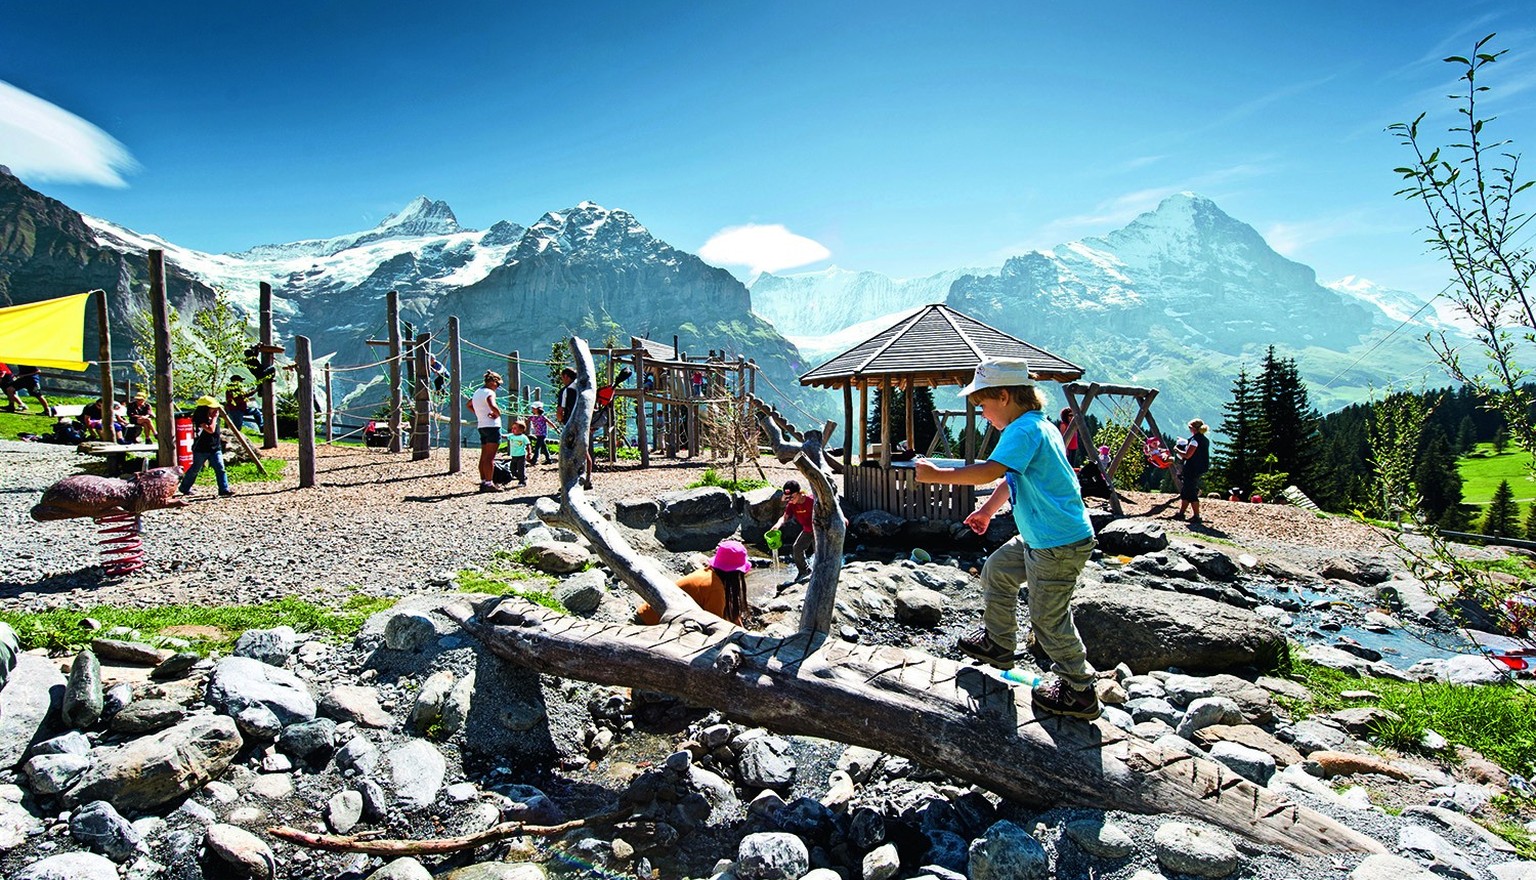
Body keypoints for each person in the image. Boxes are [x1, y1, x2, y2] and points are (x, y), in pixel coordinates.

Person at [914, 356, 1101, 720]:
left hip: (1056, 542)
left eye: (983, 405)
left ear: (1003, 395)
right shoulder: (1039, 425)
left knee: (1048, 618)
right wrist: (986, 512)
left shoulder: (1023, 430)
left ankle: (1079, 689)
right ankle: (999, 643)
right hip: (1042, 537)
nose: (983, 414)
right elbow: (1010, 478)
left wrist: (937, 474)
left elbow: (989, 472)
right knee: (998, 569)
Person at [635, 539, 751, 626]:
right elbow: (715, 626)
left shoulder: (710, 575)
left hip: (646, 616)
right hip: (646, 625)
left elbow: (728, 610)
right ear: (734, 573)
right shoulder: (714, 588)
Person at [179, 395, 233, 497]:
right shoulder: (200, 418)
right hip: (201, 449)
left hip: (215, 448)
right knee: (195, 469)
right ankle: (184, 487)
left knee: (220, 468)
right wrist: (214, 418)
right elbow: (210, 430)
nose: (216, 409)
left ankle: (224, 489)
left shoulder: (214, 417)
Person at [770, 479, 815, 587]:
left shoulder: (811, 500)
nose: (790, 500)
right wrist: (777, 525)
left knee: (818, 551)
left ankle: (820, 574)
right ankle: (804, 571)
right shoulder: (791, 504)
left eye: (792, 497)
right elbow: (785, 517)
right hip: (808, 530)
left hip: (820, 529)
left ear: (799, 493)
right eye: (787, 498)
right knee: (797, 548)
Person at [468, 371, 503, 493]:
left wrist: (479, 414)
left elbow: (469, 404)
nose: (497, 387)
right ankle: (489, 483)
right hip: (492, 426)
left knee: (484, 456)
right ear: (493, 382)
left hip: (482, 426)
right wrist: (497, 413)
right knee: (490, 457)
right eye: (497, 384)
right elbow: (492, 405)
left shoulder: (478, 392)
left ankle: (483, 481)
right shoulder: (489, 392)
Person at [1176, 418, 1210, 525]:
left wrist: (1177, 450)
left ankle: (1196, 516)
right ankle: (1181, 513)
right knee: (1186, 491)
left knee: (1190, 492)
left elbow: (1187, 455)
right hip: (1199, 468)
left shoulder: (1195, 440)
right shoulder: (1204, 439)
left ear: (1193, 428)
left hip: (1192, 469)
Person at [506, 419, 529, 487]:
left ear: (521, 430)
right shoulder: (511, 436)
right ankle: (521, 477)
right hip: (514, 456)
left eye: (515, 428)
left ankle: (522, 482)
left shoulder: (523, 437)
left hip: (521, 456)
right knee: (512, 469)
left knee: (520, 469)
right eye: (512, 428)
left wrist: (529, 453)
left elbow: (528, 445)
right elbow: (504, 436)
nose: (513, 430)